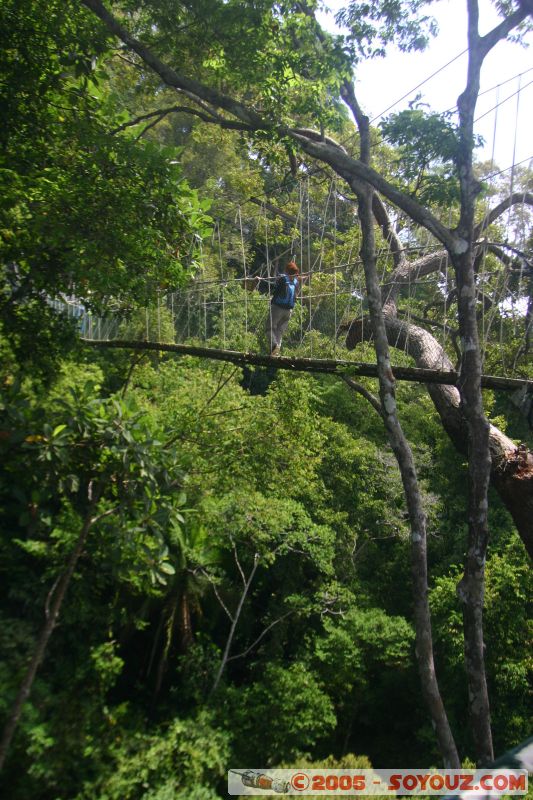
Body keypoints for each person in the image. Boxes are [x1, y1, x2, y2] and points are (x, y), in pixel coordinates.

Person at [255, 260, 299, 356]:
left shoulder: (283, 278)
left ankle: (274, 345)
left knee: (269, 328)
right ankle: (276, 352)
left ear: (287, 271)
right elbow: (296, 295)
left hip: (278, 308)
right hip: (289, 311)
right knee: (279, 331)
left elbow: (272, 287)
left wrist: (260, 280)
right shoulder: (296, 281)